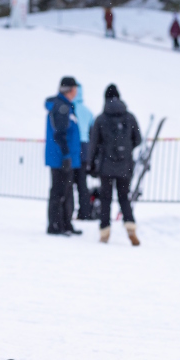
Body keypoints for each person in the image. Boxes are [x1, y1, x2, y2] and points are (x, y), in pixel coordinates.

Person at [87, 84, 142, 246]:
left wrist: (90, 164)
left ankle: (105, 231)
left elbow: (93, 144)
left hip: (106, 166)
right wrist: (127, 150)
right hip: (125, 166)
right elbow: (138, 139)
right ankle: (131, 228)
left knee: (105, 198)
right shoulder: (130, 117)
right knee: (124, 197)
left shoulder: (101, 118)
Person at [44, 76, 83, 235]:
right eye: (75, 89)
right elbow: (60, 134)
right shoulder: (61, 107)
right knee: (59, 192)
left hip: (64, 157)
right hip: (60, 158)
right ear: (70, 90)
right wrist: (66, 155)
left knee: (67, 192)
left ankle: (66, 223)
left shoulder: (66, 106)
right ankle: (55, 225)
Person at [73, 83, 95, 220]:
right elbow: (92, 133)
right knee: (82, 183)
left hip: (74, 147)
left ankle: (68, 212)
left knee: (69, 182)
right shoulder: (88, 112)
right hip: (85, 148)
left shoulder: (70, 109)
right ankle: (85, 212)